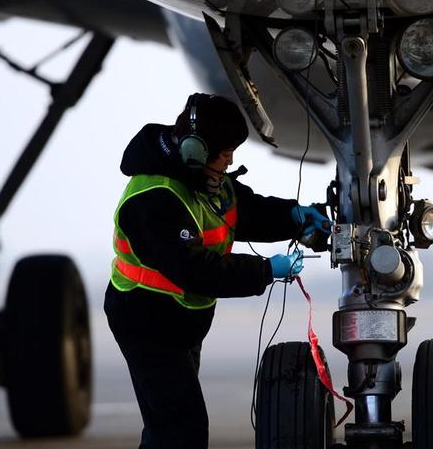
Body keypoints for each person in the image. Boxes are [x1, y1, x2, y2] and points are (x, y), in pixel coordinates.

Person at [104, 93, 331, 449]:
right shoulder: (153, 199)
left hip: (181, 323)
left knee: (167, 428)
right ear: (196, 152)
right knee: (181, 430)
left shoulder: (201, 176)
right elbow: (196, 270)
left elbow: (243, 210)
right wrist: (265, 269)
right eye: (225, 155)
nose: (229, 162)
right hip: (147, 322)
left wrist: (293, 216)